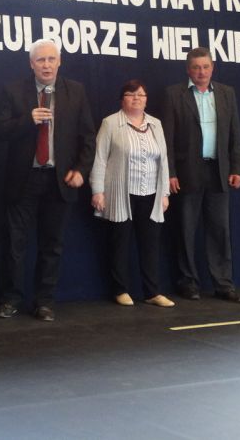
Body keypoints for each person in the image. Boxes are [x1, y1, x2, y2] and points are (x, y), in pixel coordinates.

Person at [0, 38, 95, 321]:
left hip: (58, 180)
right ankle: (11, 299)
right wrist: (27, 120)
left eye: (51, 59)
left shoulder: (76, 91)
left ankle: (45, 302)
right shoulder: (13, 90)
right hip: (23, 180)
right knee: (15, 244)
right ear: (31, 64)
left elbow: (88, 137)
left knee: (52, 245)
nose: (46, 65)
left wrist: (81, 170)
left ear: (60, 61)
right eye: (41, 60)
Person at [162, 46, 240, 303]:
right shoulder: (174, 94)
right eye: (196, 67)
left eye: (206, 67)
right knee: (186, 229)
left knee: (220, 230)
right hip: (187, 171)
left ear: (213, 68)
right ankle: (188, 283)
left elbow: (235, 134)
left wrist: (237, 168)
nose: (201, 72)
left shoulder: (226, 93)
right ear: (188, 70)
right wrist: (170, 173)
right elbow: (167, 138)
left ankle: (223, 284)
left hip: (219, 170)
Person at [90, 80, 174, 309]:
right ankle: (120, 290)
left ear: (146, 99)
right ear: (122, 99)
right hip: (121, 192)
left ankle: (152, 292)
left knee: (150, 244)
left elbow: (164, 160)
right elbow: (99, 158)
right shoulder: (110, 123)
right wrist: (98, 191)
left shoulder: (156, 124)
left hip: (151, 192)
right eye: (130, 94)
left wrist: (164, 193)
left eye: (141, 95)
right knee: (120, 243)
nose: (136, 98)